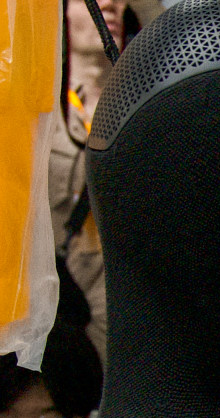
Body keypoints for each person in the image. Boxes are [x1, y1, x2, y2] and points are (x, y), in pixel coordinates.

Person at [48, 0, 134, 353]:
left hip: (125, 298)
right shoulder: (37, 105)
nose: (113, 4)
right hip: (58, 298)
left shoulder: (141, 103)